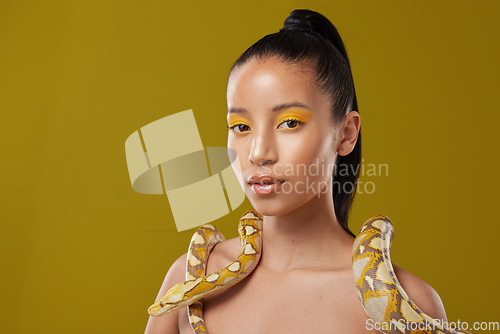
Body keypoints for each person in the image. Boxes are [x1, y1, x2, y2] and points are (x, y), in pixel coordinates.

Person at [145, 9, 447, 333]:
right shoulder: (191, 278)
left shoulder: (408, 302)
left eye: (290, 123)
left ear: (346, 134)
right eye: (240, 126)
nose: (259, 153)